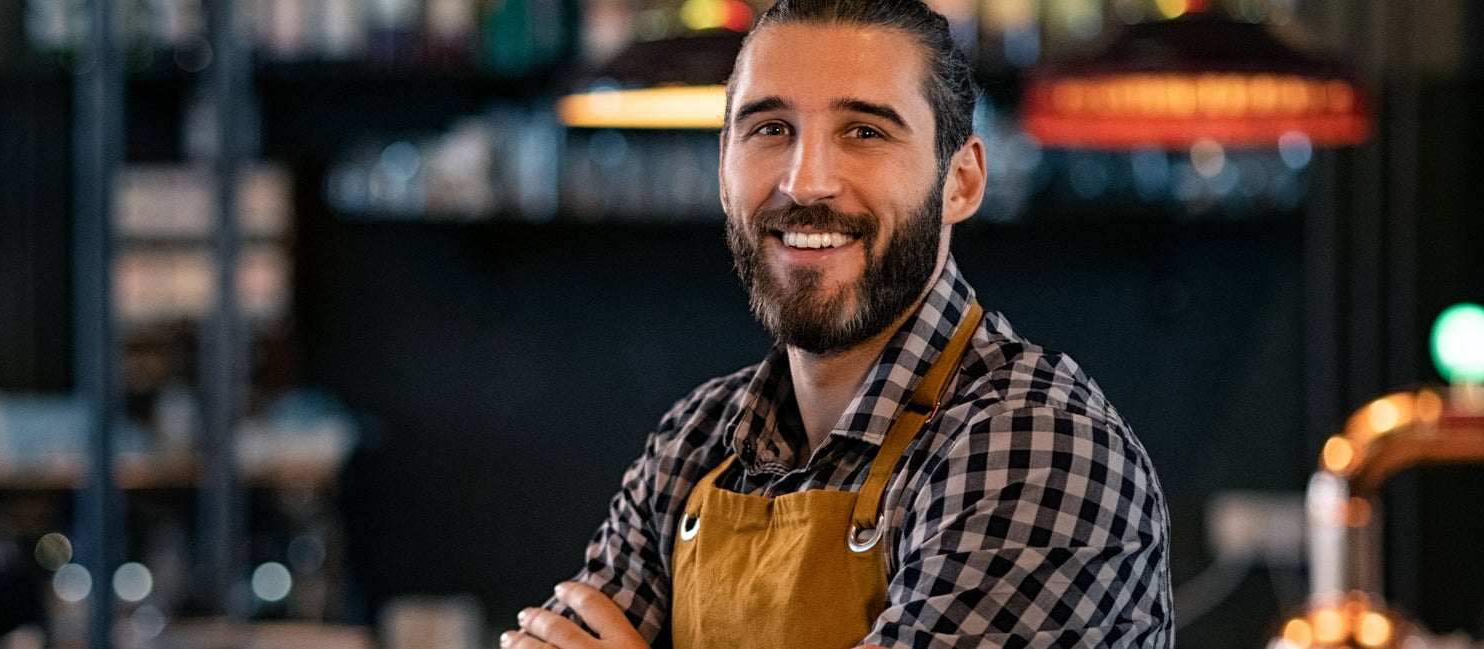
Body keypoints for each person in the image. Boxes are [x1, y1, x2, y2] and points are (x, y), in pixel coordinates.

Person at [500, 1, 1174, 647]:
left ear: (960, 181)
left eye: (864, 132)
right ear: (723, 170)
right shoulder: (697, 442)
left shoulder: (1037, 445)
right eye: (770, 128)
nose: (807, 181)